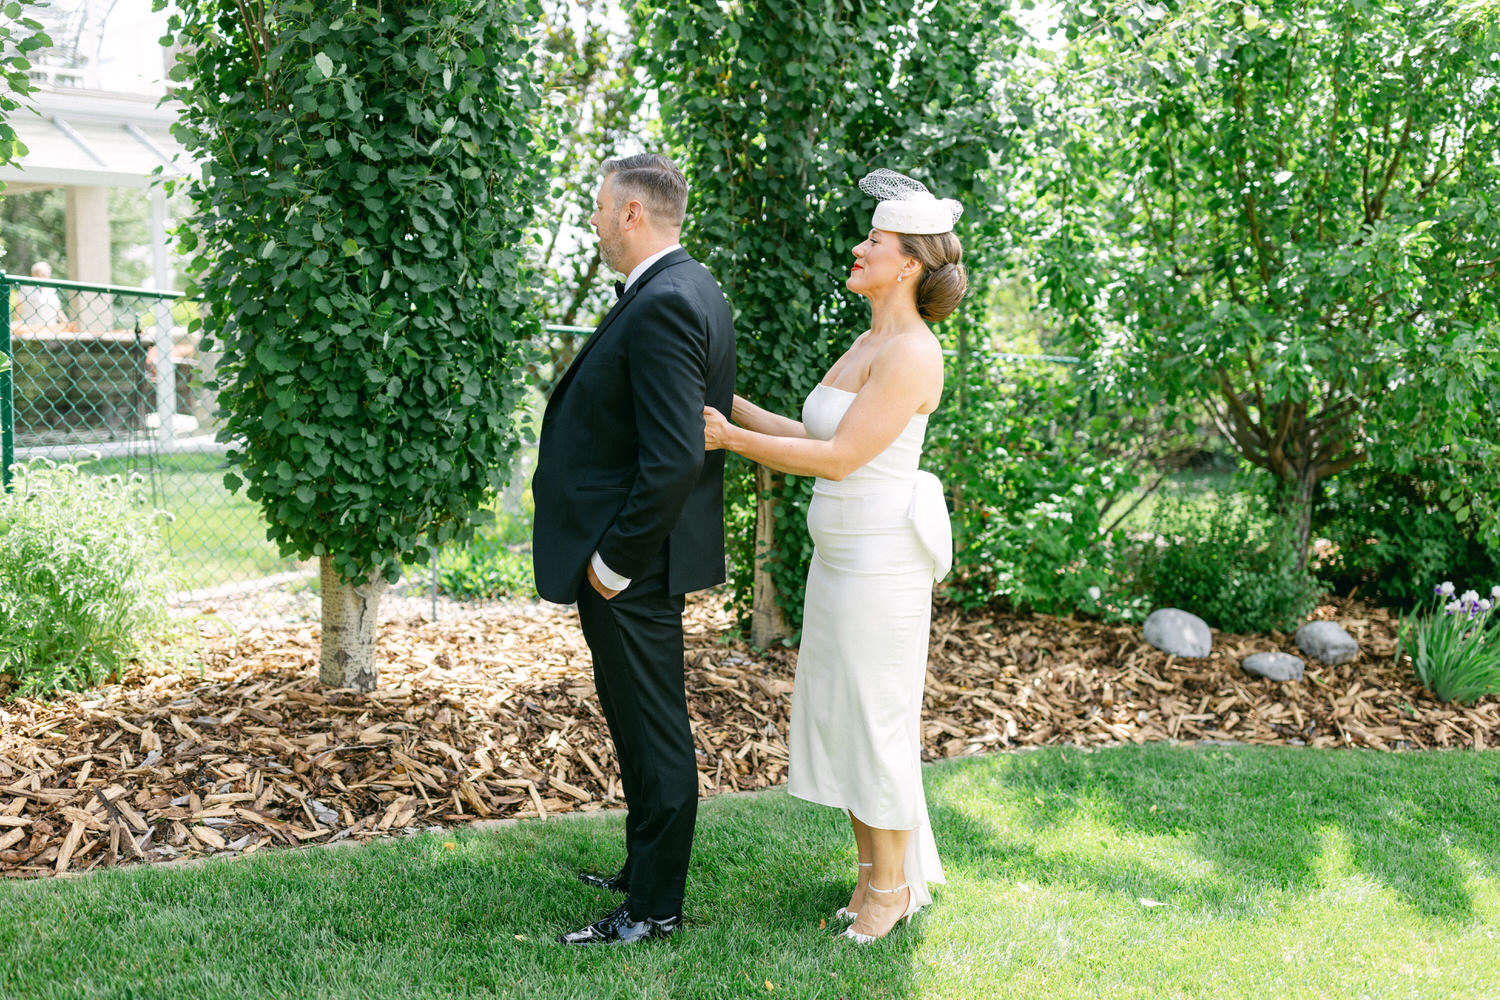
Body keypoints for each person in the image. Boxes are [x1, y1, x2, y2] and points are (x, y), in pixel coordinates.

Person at [702, 168, 965, 944]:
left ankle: (893, 888)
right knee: (846, 718)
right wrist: (727, 400)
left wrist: (729, 439)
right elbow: (814, 430)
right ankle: (871, 876)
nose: (859, 248)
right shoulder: (869, 339)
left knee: (875, 724)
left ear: (909, 262)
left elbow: (843, 458)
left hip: (882, 567)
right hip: (841, 560)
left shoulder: (914, 353)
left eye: (874, 240)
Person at [532, 153, 736, 946]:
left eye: (598, 207)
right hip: (633, 558)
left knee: (654, 731)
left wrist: (611, 563)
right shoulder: (686, 287)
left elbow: (675, 456)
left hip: (634, 563)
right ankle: (640, 870)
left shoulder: (664, 302)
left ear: (632, 214)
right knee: (631, 720)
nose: (592, 221)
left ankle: (653, 910)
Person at [14, 261, 64, 328]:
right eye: (38, 274)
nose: (41, 277)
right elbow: (18, 308)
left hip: (49, 329)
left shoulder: (51, 290)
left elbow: (58, 310)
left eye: (44, 275)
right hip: (30, 328)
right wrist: (19, 325)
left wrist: (67, 324)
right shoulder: (26, 288)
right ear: (33, 274)